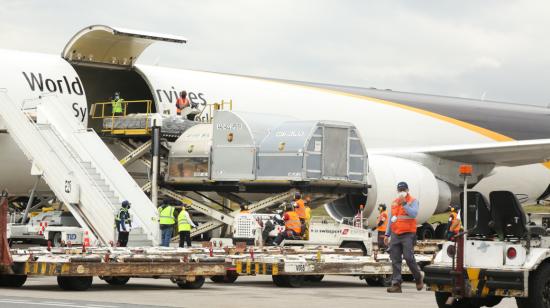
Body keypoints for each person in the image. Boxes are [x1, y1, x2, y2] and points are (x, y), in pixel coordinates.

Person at [384, 182, 424, 293]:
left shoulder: (413, 201)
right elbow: (391, 219)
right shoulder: (394, 203)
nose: (402, 191)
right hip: (395, 234)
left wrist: (405, 204)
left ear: (407, 190)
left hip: (408, 234)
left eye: (403, 189)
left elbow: (414, 214)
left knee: (408, 257)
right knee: (395, 259)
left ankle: (418, 277)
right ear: (397, 191)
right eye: (400, 189)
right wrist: (387, 234)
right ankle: (396, 284)